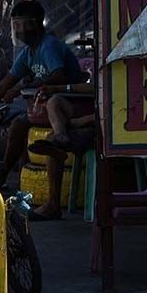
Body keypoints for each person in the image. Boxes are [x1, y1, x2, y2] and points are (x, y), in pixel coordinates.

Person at [0, 0, 87, 187]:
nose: (20, 30)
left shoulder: (49, 45)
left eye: (25, 24)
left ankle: (3, 172)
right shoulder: (28, 52)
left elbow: (59, 76)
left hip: (64, 105)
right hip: (38, 106)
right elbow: (2, 86)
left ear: (37, 23)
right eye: (16, 25)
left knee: (18, 124)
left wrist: (20, 88)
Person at [27, 91, 95, 220]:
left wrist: (74, 122)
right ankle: (58, 137)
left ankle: (53, 204)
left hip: (100, 131)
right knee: (54, 102)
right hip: (81, 123)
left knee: (53, 142)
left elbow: (98, 118)